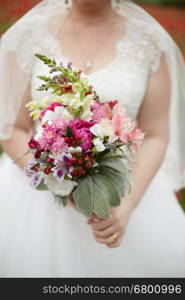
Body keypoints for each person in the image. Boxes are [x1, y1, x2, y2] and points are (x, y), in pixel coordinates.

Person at [0, 0, 185, 277]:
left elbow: (156, 134)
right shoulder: (30, 35)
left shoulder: (151, 41)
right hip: (37, 197)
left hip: (124, 191)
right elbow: (12, 128)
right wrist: (54, 177)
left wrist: (125, 206)